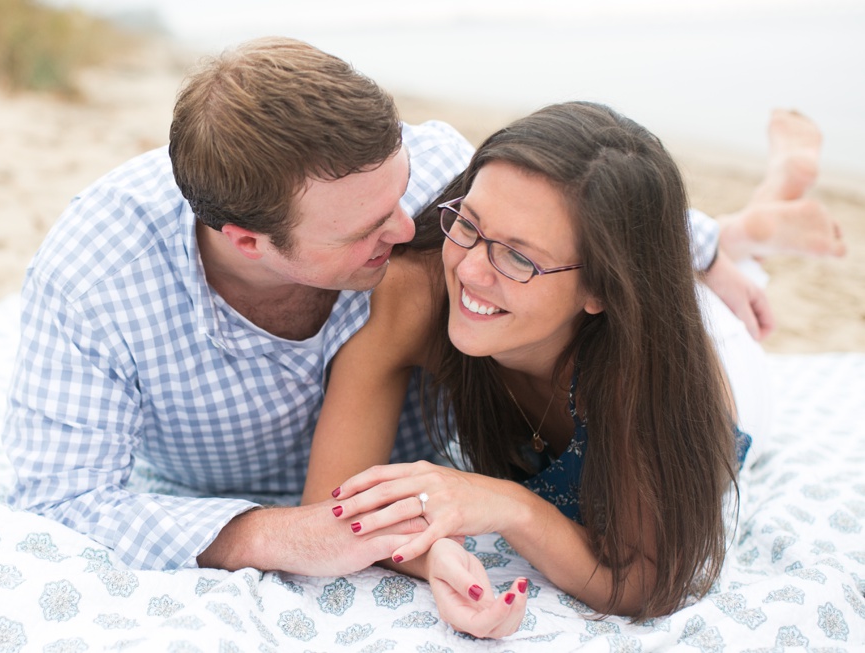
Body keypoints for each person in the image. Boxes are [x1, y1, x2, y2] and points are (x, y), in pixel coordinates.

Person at [2, 33, 839, 576]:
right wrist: (288, 535)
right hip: (415, 462)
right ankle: (760, 217)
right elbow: (59, 501)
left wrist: (705, 246)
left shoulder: (433, 189)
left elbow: (583, 199)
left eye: (411, 195)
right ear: (248, 240)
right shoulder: (97, 278)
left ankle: (751, 225)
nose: (414, 230)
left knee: (710, 298)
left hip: (662, 348)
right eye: (369, 226)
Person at [303, 102, 839, 637]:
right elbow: (333, 508)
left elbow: (643, 582)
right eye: (468, 222)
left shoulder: (643, 379)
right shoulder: (415, 292)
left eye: (518, 257)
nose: (468, 269)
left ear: (601, 288)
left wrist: (511, 504)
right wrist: (431, 555)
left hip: (725, 371)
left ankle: (762, 219)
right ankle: (747, 230)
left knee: (741, 295)